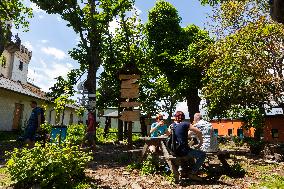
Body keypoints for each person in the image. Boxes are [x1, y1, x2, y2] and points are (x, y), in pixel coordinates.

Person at [165, 111, 206, 178]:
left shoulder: (172, 126)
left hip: (173, 151)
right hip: (183, 151)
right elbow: (199, 132)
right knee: (202, 155)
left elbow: (167, 134)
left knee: (190, 151)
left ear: (175, 117)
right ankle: (192, 173)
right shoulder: (186, 124)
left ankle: (185, 170)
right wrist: (200, 143)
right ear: (183, 117)